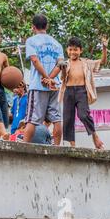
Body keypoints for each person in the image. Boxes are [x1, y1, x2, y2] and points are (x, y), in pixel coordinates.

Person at [52, 36, 107, 149]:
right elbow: (59, 72)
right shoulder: (65, 63)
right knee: (68, 119)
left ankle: (94, 135)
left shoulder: (86, 63)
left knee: (83, 115)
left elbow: (102, 62)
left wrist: (104, 48)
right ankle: (72, 145)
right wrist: (51, 77)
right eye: (70, 49)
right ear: (67, 50)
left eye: (75, 49)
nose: (73, 52)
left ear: (80, 50)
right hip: (68, 91)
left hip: (82, 91)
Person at [23, 14, 64, 145]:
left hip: (37, 86)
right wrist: (51, 79)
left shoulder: (31, 41)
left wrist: (46, 78)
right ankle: (57, 148)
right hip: (54, 86)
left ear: (33, 27)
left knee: (32, 119)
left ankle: (23, 147)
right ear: (47, 26)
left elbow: (34, 60)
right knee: (56, 119)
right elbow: (61, 64)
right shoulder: (56, 43)